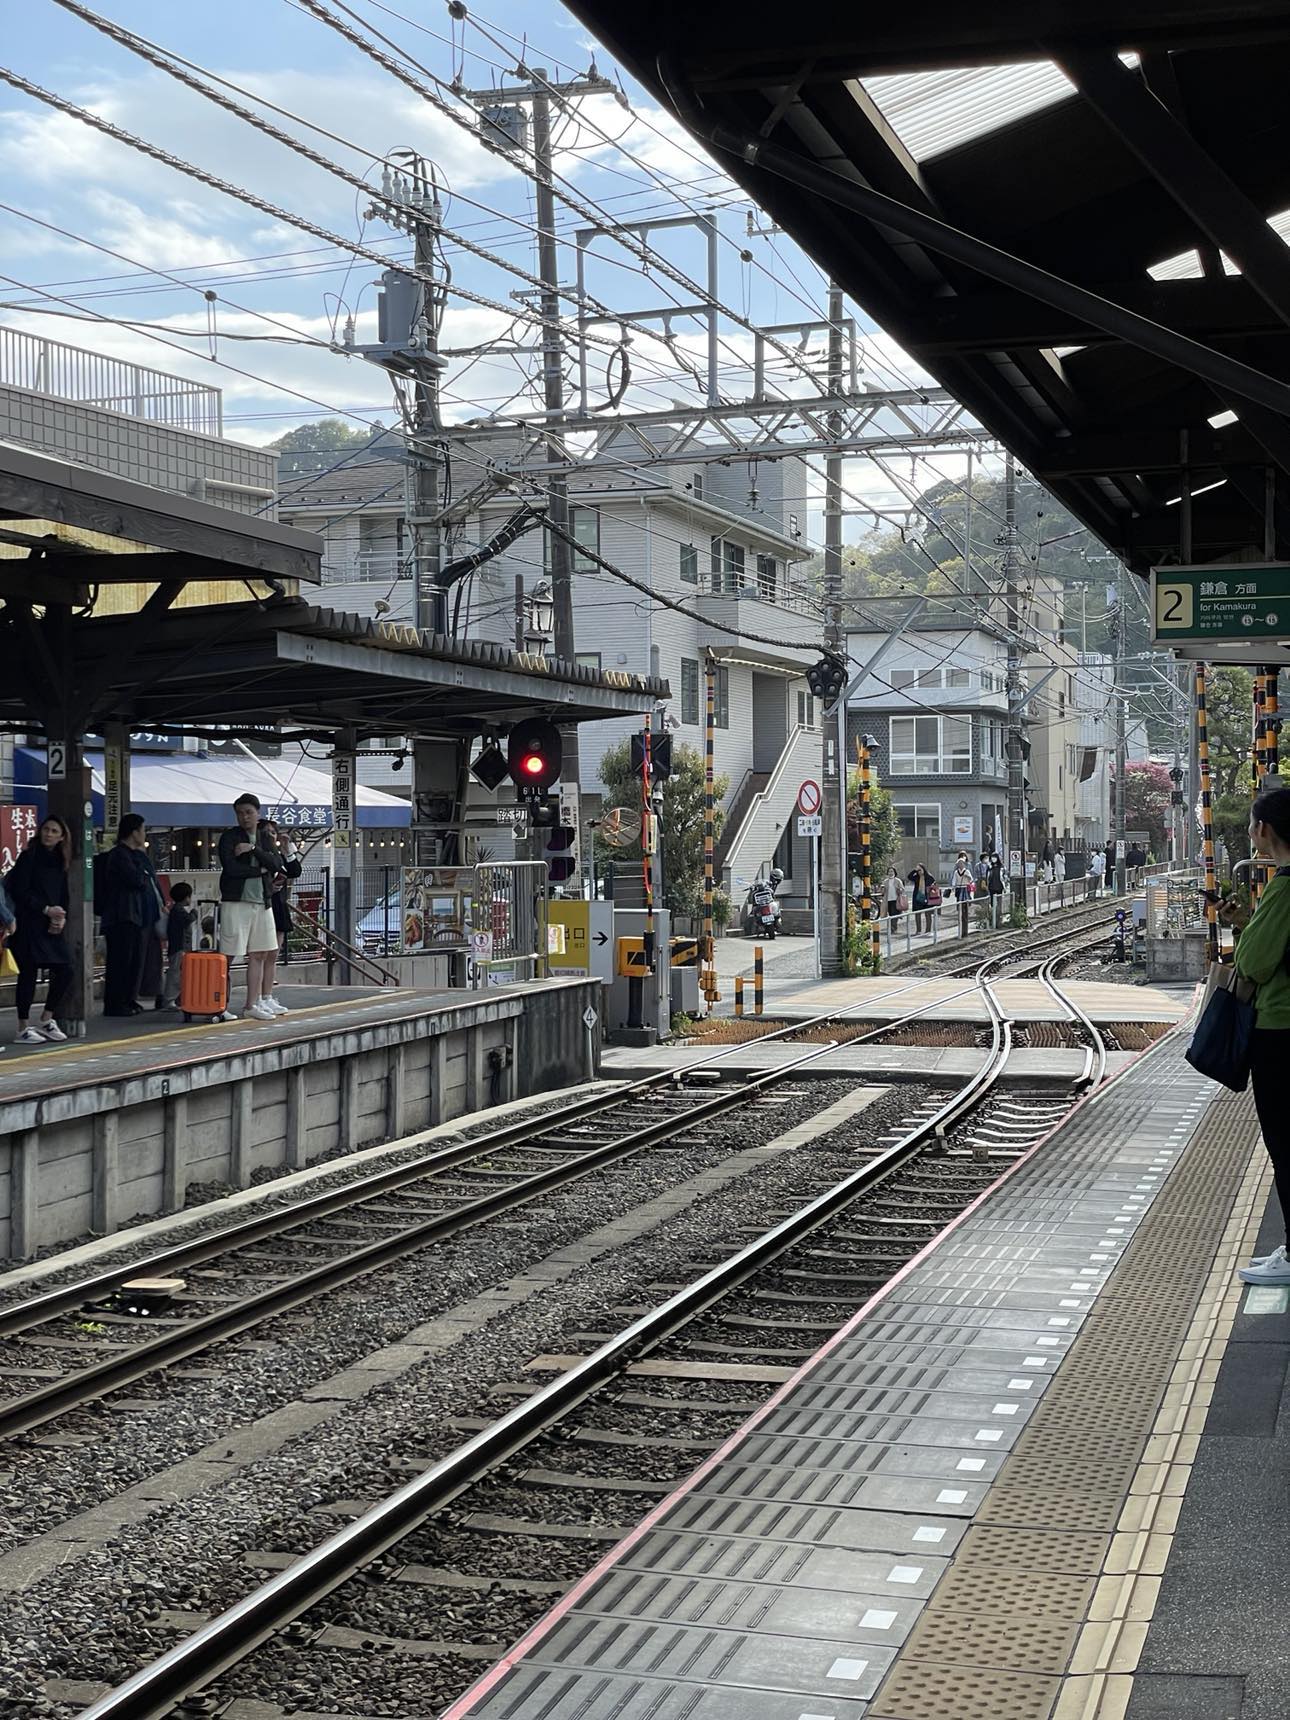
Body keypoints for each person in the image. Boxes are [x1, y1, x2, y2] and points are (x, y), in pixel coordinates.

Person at [1235, 788, 1290, 1285]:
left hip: (1280, 1031)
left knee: (1285, 1143)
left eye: (1253, 823)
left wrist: (1246, 932)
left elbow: (1253, 962)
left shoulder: (1285, 888)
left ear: (1265, 830)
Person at [218, 793, 287, 1020]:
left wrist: (253, 849)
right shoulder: (229, 837)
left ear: (258, 813)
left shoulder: (265, 837)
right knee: (227, 955)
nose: (244, 817)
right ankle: (218, 1004)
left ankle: (252, 1004)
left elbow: (277, 863)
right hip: (235, 901)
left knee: (260, 953)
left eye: (249, 812)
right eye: (240, 813)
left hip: (262, 901)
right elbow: (231, 868)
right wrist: (260, 870)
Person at [7, 814, 73, 1043]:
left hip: (51, 924)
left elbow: (64, 894)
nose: (49, 834)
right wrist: (45, 909)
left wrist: (61, 916)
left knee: (66, 969)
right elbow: (20, 890)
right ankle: (23, 1027)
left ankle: (46, 1018)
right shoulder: (29, 857)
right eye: (46, 829)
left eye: (54, 831)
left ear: (62, 837)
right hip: (28, 923)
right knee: (28, 972)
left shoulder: (61, 860)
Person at [101, 814, 164, 1017]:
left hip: (134, 915)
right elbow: (136, 880)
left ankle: (128, 1000)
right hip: (121, 916)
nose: (144, 834)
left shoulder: (131, 855)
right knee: (120, 962)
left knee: (132, 961)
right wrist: (141, 870)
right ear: (134, 832)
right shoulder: (120, 855)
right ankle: (115, 1004)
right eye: (143, 830)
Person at [261, 820, 302, 968]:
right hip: (262, 905)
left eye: (273, 832)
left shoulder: (279, 856)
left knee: (274, 953)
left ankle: (268, 979)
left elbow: (295, 871)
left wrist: (287, 849)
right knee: (261, 953)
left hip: (278, 904)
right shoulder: (257, 855)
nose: (270, 836)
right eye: (266, 832)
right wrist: (267, 888)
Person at [160, 881, 198, 1011]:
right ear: (186, 897)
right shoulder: (179, 911)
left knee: (179, 973)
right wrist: (194, 912)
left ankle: (176, 999)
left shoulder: (175, 910)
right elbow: (188, 920)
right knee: (175, 974)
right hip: (179, 948)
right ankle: (169, 1000)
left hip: (177, 947)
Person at [907, 863, 934, 934]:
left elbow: (933, 884)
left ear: (923, 869)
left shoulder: (929, 877)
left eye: (920, 869)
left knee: (928, 914)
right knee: (917, 914)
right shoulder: (916, 877)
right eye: (918, 870)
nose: (919, 871)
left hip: (926, 897)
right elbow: (909, 877)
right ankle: (918, 930)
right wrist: (914, 870)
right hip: (918, 897)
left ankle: (928, 930)